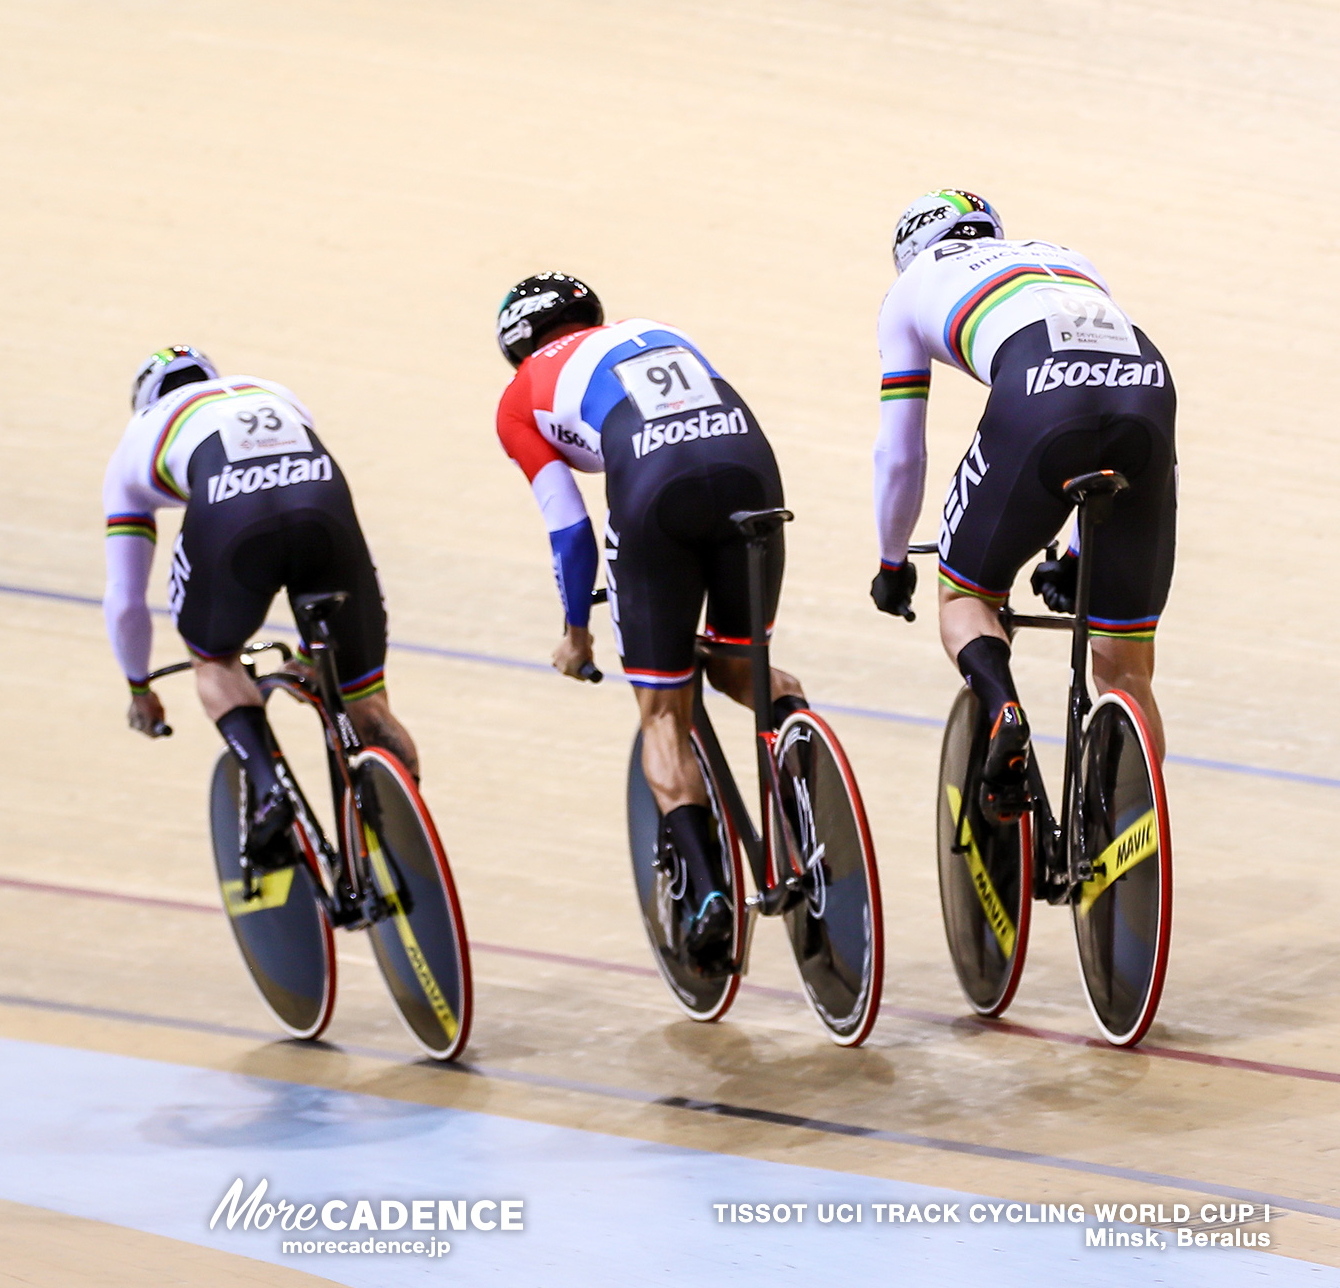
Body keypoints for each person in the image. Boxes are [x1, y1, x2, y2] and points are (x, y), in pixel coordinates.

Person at [492, 273, 806, 970]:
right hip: (750, 470)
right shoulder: (658, 331)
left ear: (516, 346)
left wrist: (577, 633)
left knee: (664, 708)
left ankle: (707, 900)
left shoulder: (519, 398)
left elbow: (570, 530)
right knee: (738, 663)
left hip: (654, 492)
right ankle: (806, 785)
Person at [868, 190, 1177, 818]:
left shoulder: (911, 288)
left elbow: (900, 455)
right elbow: (1108, 403)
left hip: (1042, 396)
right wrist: (1074, 553)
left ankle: (1004, 707)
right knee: (1126, 668)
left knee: (964, 596)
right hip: (1148, 389)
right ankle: (1130, 843)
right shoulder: (1068, 257)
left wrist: (892, 560)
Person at [103, 346, 418, 863]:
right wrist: (315, 653)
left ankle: (270, 788)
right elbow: (289, 490)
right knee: (365, 700)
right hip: (323, 506)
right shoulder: (268, 389)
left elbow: (125, 599)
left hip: (233, 518)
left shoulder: (136, 439)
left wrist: (139, 687)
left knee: (214, 657)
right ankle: (405, 857)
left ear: (143, 401)